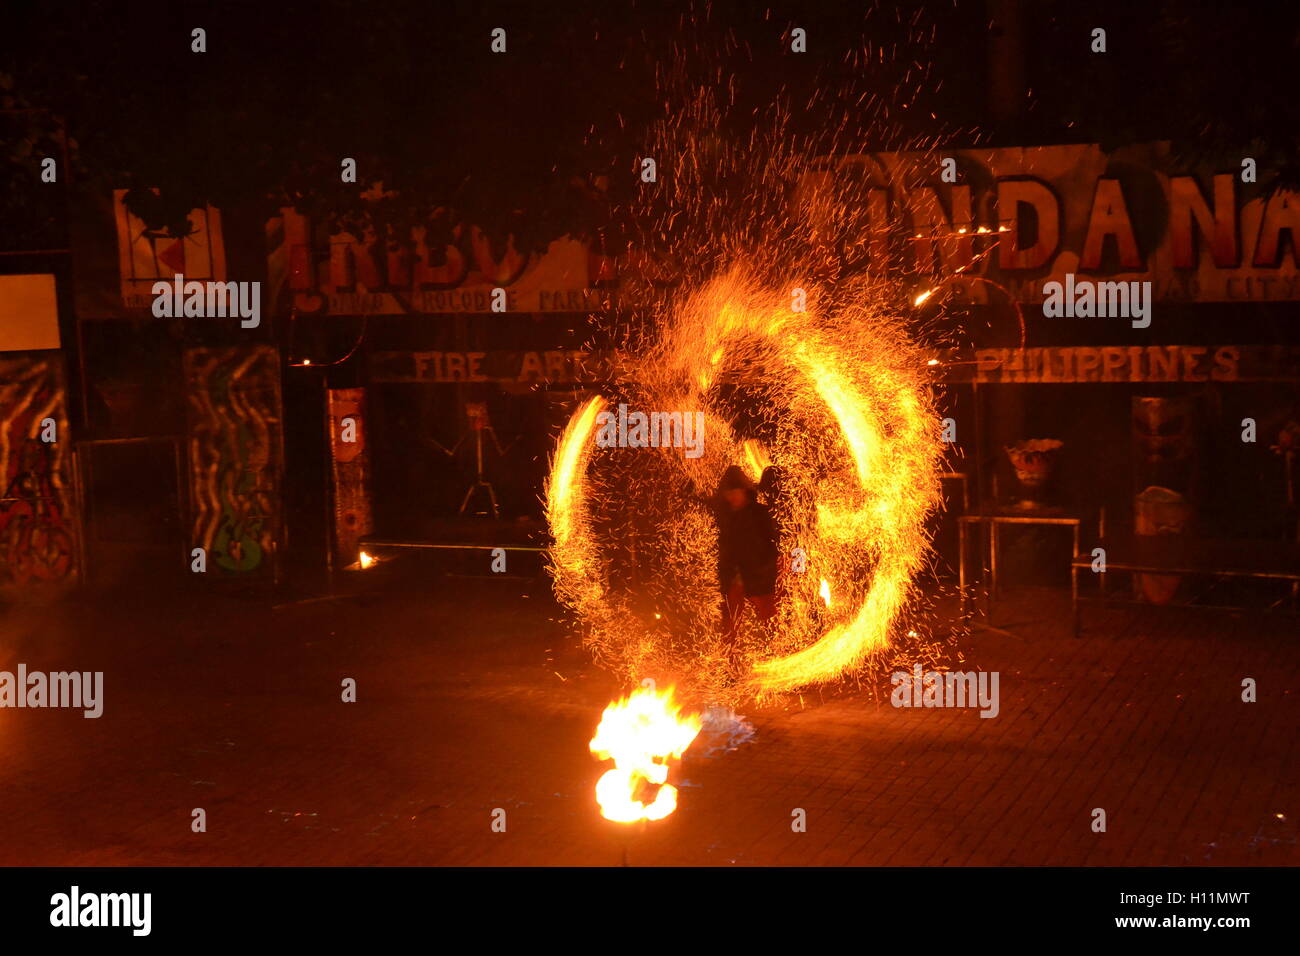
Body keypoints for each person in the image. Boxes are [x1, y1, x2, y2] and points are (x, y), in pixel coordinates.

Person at [698, 466, 780, 662]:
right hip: (733, 577)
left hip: (758, 574)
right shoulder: (723, 516)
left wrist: (770, 565)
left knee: (770, 619)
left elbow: (775, 541)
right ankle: (731, 665)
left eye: (736, 492)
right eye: (729, 493)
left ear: (745, 491)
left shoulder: (760, 514)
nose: (732, 497)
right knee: (730, 626)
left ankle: (781, 656)